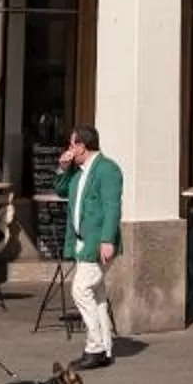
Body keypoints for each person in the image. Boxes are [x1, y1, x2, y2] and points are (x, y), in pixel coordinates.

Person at [58, 124, 124, 369]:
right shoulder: (78, 171)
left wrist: (108, 240)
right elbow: (61, 189)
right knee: (97, 296)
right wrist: (62, 169)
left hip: (97, 243)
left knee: (80, 289)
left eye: (71, 144)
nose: (68, 148)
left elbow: (111, 207)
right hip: (81, 240)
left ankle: (94, 347)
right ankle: (105, 348)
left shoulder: (107, 170)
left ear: (81, 146)